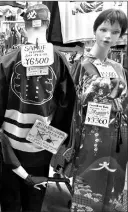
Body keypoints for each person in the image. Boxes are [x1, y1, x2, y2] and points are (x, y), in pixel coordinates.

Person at [0, 4, 76, 212]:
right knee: (35, 198)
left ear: (24, 27)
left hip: (10, 142)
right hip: (42, 142)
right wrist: (58, 141)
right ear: (47, 25)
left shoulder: (8, 59)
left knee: (10, 199)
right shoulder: (60, 60)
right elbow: (66, 106)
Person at [70, 9, 128, 212]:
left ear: (121, 35)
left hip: (118, 140)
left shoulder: (118, 68)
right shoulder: (81, 65)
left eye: (115, 31)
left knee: (113, 194)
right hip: (89, 139)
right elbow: (72, 105)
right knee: (87, 195)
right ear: (94, 31)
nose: (108, 36)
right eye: (103, 29)